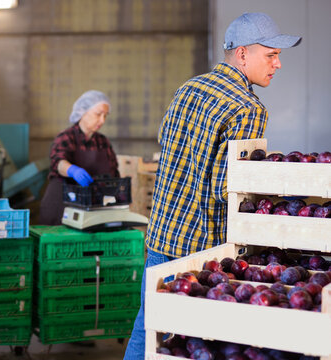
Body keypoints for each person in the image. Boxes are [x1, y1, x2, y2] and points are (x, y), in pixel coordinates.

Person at [123, 13, 301, 360]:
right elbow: (229, 189)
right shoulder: (248, 107)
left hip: (163, 235)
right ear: (242, 54)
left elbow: (167, 146)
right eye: (271, 55)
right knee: (199, 345)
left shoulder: (188, 88)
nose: (278, 64)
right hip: (203, 248)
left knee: (149, 331)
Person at [38, 90, 119, 225]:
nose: (102, 120)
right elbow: (58, 162)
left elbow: (114, 173)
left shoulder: (103, 142)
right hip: (61, 207)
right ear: (83, 112)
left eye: (105, 116)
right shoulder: (66, 137)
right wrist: (72, 170)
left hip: (91, 208)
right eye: (98, 114)